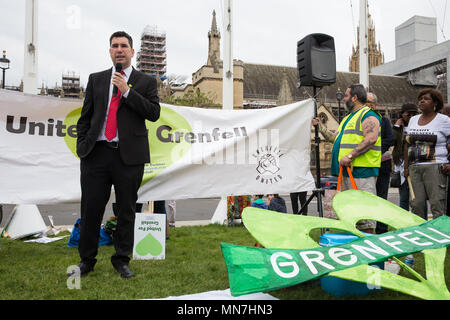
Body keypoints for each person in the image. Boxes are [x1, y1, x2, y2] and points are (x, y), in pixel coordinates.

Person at [70, 31, 161, 279]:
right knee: (91, 210)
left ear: (132, 52)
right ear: (109, 51)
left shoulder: (145, 82)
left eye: (124, 46)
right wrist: (83, 146)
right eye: (114, 46)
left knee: (126, 210)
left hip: (128, 157)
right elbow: (85, 117)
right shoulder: (97, 79)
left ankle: (121, 260)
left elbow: (154, 113)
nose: (119, 50)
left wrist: (128, 91)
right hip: (96, 155)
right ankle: (86, 261)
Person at [313, 84, 381, 233]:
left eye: (346, 96)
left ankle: (368, 249)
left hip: (361, 172)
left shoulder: (368, 115)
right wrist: (319, 127)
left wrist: (350, 156)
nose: (343, 99)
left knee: (365, 217)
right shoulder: (348, 118)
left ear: (354, 98)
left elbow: (371, 138)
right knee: (351, 215)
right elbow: (334, 138)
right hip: (345, 173)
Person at [404, 89, 450, 220]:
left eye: (426, 99)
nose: (422, 101)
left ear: (435, 102)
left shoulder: (444, 120)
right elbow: (407, 144)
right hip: (414, 168)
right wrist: (406, 167)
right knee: (416, 205)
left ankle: (441, 236)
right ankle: (419, 236)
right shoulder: (413, 120)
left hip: (435, 167)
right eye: (420, 99)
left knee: (437, 204)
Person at [367, 92, 394, 234]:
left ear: (375, 105)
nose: (366, 104)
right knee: (368, 197)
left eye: (369, 102)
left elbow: (390, 139)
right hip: (366, 164)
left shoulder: (383, 120)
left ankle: (382, 230)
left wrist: (373, 147)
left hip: (382, 163)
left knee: (381, 197)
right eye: (364, 101)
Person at [392, 103, 419, 211]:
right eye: (408, 114)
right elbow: (392, 140)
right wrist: (397, 127)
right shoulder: (399, 127)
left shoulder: (420, 125)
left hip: (416, 163)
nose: (411, 117)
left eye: (414, 114)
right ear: (402, 115)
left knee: (418, 198)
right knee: (403, 197)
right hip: (401, 164)